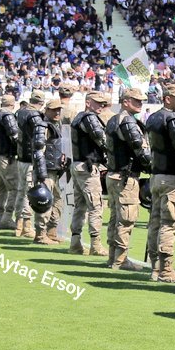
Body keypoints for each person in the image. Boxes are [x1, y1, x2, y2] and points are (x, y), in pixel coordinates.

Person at [104, 88, 151, 271]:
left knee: (116, 218)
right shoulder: (128, 122)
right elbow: (140, 150)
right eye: (136, 100)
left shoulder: (113, 120)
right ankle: (120, 260)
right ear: (125, 101)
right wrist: (153, 168)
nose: (140, 103)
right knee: (126, 219)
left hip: (114, 174)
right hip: (126, 177)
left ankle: (112, 257)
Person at [146, 83, 175, 283]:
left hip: (156, 175)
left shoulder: (153, 117)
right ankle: (166, 269)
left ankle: (155, 266)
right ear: (167, 98)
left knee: (155, 223)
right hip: (172, 176)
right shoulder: (173, 118)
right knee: (169, 224)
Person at [69, 92, 112, 257]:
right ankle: (95, 244)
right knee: (96, 206)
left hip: (77, 164)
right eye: (98, 103)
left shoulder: (79, 117)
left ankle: (75, 242)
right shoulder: (89, 118)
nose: (101, 105)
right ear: (88, 102)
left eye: (103, 103)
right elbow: (101, 139)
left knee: (80, 206)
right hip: (87, 167)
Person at [31, 100, 68, 245]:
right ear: (46, 110)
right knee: (44, 202)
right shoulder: (42, 125)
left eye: (59, 109)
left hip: (56, 170)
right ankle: (40, 234)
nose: (57, 112)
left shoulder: (56, 125)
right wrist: (42, 174)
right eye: (54, 110)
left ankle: (52, 231)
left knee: (58, 201)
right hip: (46, 171)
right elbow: (38, 150)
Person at [13, 91, 46, 236]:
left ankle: (18, 224)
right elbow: (38, 139)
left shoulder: (21, 112)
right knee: (29, 192)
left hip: (21, 157)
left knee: (21, 192)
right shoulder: (34, 116)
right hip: (30, 158)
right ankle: (26, 225)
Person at [0, 94, 21, 229]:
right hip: (6, 157)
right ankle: (7, 218)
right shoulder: (8, 117)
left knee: (0, 189)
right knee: (14, 188)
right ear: (13, 104)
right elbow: (14, 136)